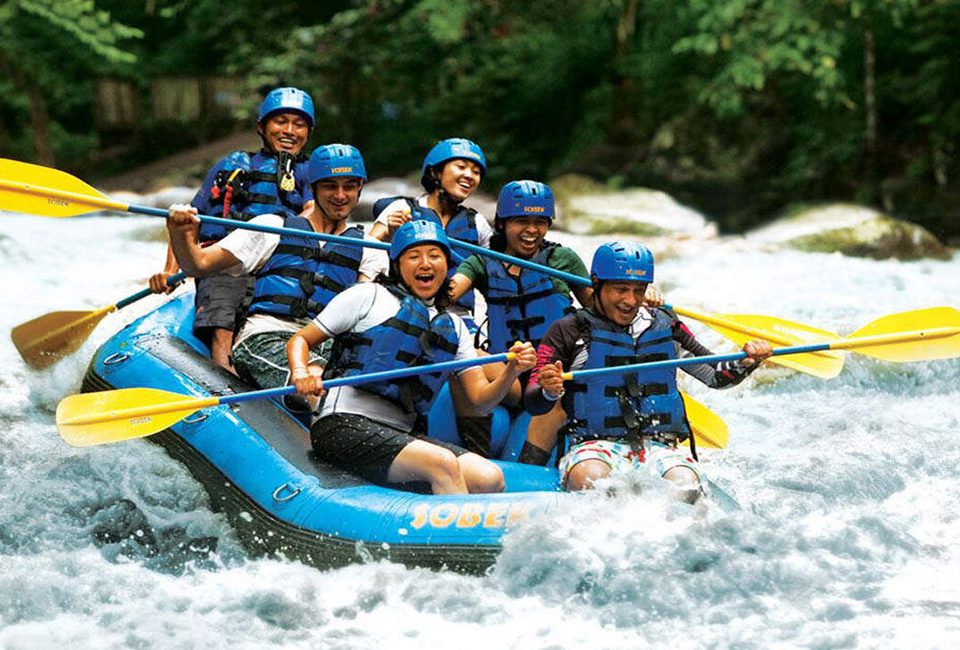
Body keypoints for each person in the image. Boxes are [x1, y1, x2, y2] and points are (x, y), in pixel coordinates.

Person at [287, 220, 537, 495]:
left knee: (489, 477)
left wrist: (511, 371)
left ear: (447, 264)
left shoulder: (454, 327)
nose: (425, 264)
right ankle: (458, 523)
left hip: (401, 433)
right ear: (397, 265)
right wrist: (300, 372)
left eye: (434, 255)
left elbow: (480, 403)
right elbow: (301, 339)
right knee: (442, 464)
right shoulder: (368, 295)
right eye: (414, 256)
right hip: (341, 424)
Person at [524, 241, 772, 500]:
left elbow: (715, 376)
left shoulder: (667, 325)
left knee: (685, 486)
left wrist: (747, 361)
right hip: (594, 447)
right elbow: (533, 400)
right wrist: (549, 391)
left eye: (639, 290)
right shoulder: (568, 330)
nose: (630, 300)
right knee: (592, 479)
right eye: (620, 289)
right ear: (596, 282)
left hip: (658, 447)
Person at [163, 144, 385, 391]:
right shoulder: (272, 227)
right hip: (267, 337)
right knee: (321, 380)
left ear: (360, 187)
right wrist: (179, 232)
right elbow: (198, 264)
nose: (340, 195)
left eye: (349, 186)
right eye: (330, 186)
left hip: (327, 346)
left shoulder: (370, 249)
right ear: (313, 188)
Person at [150, 87, 316, 372]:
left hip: (276, 264)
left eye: (298, 124)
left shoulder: (310, 172)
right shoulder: (230, 166)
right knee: (224, 306)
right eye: (280, 122)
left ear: (308, 132)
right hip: (225, 260)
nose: (289, 131)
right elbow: (188, 223)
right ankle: (224, 375)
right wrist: (169, 271)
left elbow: (314, 212)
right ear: (261, 127)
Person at [368, 137, 493, 332]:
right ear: (435, 172)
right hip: (403, 309)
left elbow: (495, 270)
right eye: (461, 167)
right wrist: (392, 236)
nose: (469, 176)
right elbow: (367, 248)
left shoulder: (477, 223)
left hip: (457, 316)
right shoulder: (402, 209)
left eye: (476, 172)